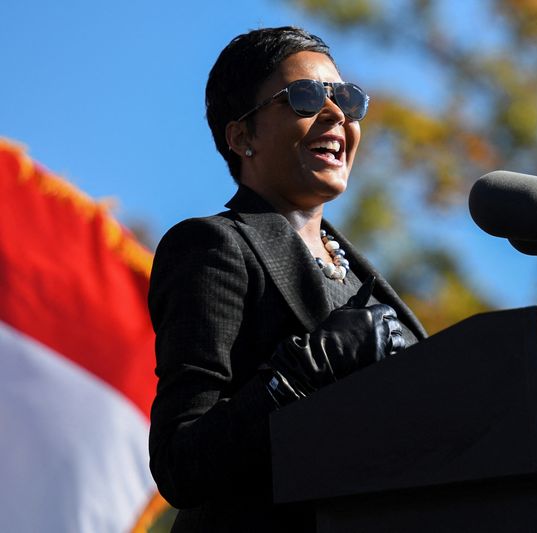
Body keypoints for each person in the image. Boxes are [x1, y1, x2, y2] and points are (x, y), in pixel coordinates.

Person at [147, 26, 427, 532]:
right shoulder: (214, 248)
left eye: (346, 97)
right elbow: (180, 462)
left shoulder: (365, 277)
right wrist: (309, 366)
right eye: (304, 96)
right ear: (242, 137)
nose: (336, 114)